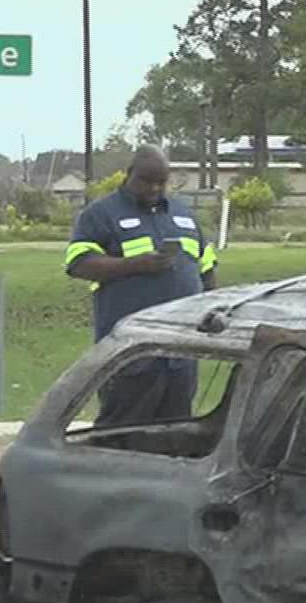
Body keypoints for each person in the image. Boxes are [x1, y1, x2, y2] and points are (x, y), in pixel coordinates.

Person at [64, 147, 218, 427]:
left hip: (181, 350)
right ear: (128, 175)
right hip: (131, 352)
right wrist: (137, 265)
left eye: (161, 182)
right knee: (122, 430)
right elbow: (79, 263)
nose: (155, 188)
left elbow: (206, 267)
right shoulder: (101, 214)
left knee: (176, 431)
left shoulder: (183, 214)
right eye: (147, 180)